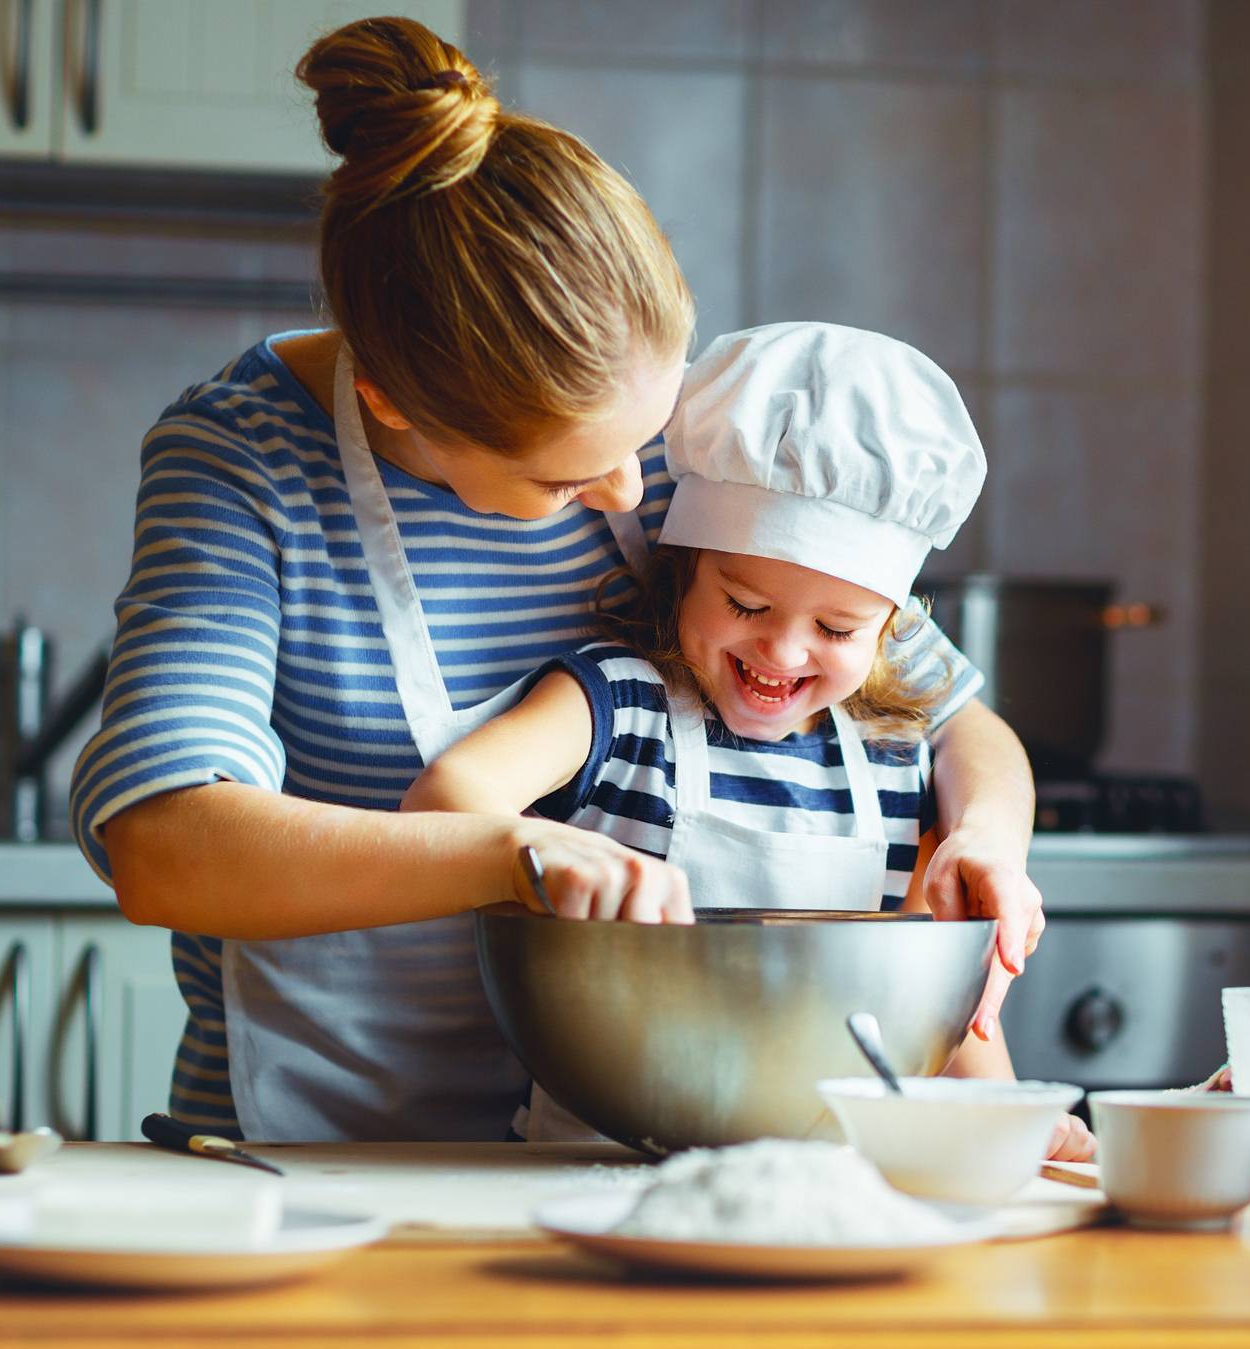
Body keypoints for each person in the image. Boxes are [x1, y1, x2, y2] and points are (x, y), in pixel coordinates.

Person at [68, 15, 1045, 1144]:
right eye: (568, 477)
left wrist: (986, 839)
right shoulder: (245, 462)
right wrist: (508, 851)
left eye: (646, 438)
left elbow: (951, 715)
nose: (635, 492)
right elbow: (166, 844)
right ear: (394, 402)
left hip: (623, 1153)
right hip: (329, 1151)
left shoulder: (705, 446)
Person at [404, 322, 1096, 1161]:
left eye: (837, 627)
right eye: (743, 604)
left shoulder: (891, 754)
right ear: (684, 569)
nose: (783, 650)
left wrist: (1006, 1124)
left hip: (835, 1183)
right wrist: (544, 857)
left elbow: (940, 1015)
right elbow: (445, 798)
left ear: (893, 631)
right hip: (596, 1161)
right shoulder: (619, 703)